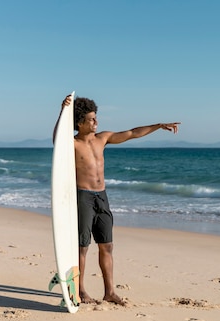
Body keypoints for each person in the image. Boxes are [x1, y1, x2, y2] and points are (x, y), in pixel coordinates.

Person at [54, 94, 181, 306]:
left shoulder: (102, 139)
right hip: (82, 196)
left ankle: (110, 292)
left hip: (102, 197)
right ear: (79, 122)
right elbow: (56, 139)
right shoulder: (72, 144)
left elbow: (131, 133)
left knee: (107, 245)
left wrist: (158, 126)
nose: (96, 122)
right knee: (82, 247)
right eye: (91, 119)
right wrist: (62, 112)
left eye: (96, 118)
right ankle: (80, 290)